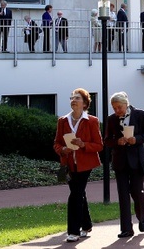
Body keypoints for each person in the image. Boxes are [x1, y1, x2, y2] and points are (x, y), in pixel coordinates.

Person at [53, 88, 103, 243]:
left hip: (85, 165)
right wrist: (62, 150)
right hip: (68, 164)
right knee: (79, 193)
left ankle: (73, 231)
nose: (73, 100)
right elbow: (56, 143)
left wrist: (83, 144)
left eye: (77, 98)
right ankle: (86, 225)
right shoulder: (62, 121)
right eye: (72, 98)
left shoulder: (92, 121)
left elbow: (99, 145)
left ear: (85, 103)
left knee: (75, 194)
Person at [104, 92, 144, 238]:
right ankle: (126, 228)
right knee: (123, 194)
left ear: (126, 103)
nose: (117, 110)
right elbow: (107, 140)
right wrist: (116, 142)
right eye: (114, 108)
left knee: (137, 191)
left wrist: (136, 139)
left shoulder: (140, 114)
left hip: (137, 160)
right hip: (120, 161)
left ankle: (142, 216)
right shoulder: (111, 119)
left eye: (119, 107)